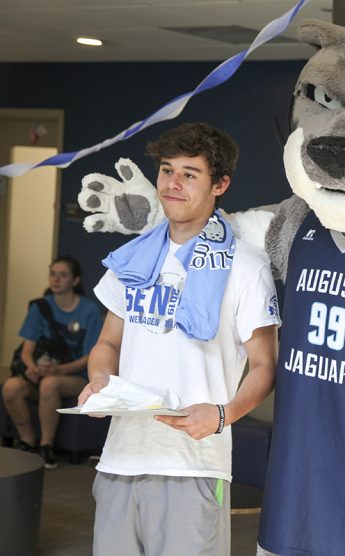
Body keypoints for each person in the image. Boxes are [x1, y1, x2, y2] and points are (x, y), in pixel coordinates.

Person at [77, 122, 281, 556]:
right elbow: (108, 344)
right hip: (119, 461)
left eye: (190, 174)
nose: (172, 184)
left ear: (220, 184)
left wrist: (223, 416)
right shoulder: (131, 258)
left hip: (193, 465)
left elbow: (265, 366)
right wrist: (99, 382)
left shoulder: (245, 267)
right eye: (167, 170)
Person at [2, 256, 102, 469]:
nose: (56, 279)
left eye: (63, 275)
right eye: (52, 274)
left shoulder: (89, 310)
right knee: (11, 387)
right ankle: (28, 442)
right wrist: (31, 368)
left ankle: (46, 447)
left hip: (76, 376)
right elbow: (27, 350)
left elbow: (89, 357)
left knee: (51, 384)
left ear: (75, 281)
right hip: (42, 371)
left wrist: (58, 370)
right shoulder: (40, 307)